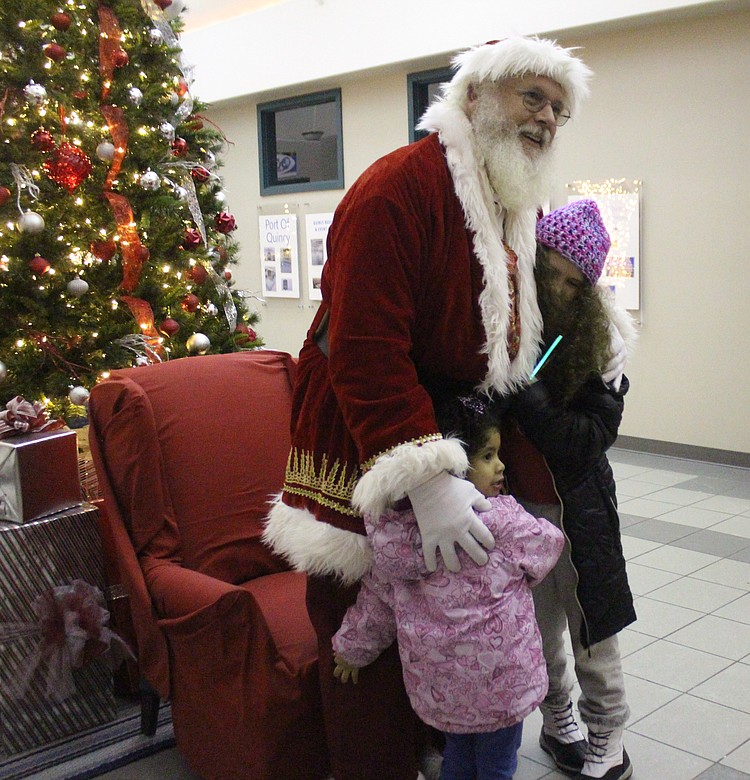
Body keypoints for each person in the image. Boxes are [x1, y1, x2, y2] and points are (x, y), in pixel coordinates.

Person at [260, 37, 615, 780]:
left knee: (441, 649)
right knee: (364, 651)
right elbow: (363, 346)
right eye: (532, 97)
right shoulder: (398, 186)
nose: (547, 117)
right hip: (364, 451)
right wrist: (423, 474)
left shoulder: (512, 202)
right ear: (478, 97)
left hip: (459, 450)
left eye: (558, 107)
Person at [331, 395, 564, 780]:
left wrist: (351, 650)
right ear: (450, 469)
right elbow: (547, 547)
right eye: (488, 456)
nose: (500, 465)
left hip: (442, 690)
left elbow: (376, 603)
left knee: (457, 755)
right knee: (497, 765)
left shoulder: (392, 535)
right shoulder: (501, 519)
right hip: (501, 682)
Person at [506, 199, 638, 780]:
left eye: (573, 281)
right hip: (516, 510)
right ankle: (558, 720)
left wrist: (528, 395)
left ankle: (607, 736)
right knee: (536, 630)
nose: (559, 287)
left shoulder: (600, 347)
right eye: (550, 270)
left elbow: (581, 440)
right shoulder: (510, 320)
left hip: (577, 510)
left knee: (592, 629)